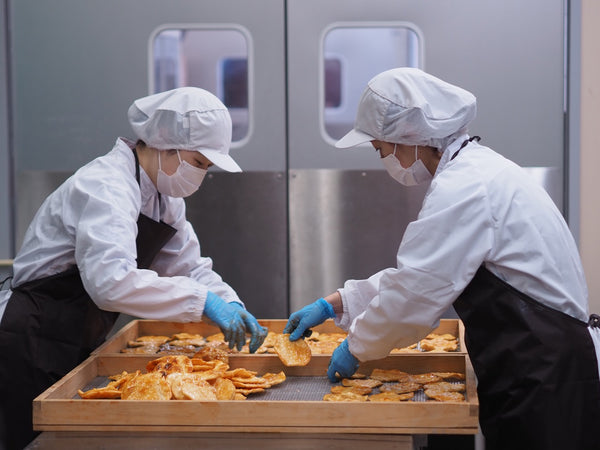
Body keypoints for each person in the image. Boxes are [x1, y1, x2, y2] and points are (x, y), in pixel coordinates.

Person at [284, 68, 600, 450]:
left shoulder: (466, 187)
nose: (383, 158)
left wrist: (356, 347)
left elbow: (415, 294)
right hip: (537, 360)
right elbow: (426, 275)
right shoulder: (477, 172)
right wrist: (337, 302)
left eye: (381, 148)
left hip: (544, 372)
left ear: (411, 137)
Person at [0, 87, 267, 449]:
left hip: (75, 334)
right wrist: (202, 302)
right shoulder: (106, 187)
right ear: (165, 144)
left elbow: (188, 266)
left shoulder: (162, 196)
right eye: (199, 162)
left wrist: (227, 301)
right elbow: (110, 283)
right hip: (31, 335)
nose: (202, 174)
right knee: (31, 440)